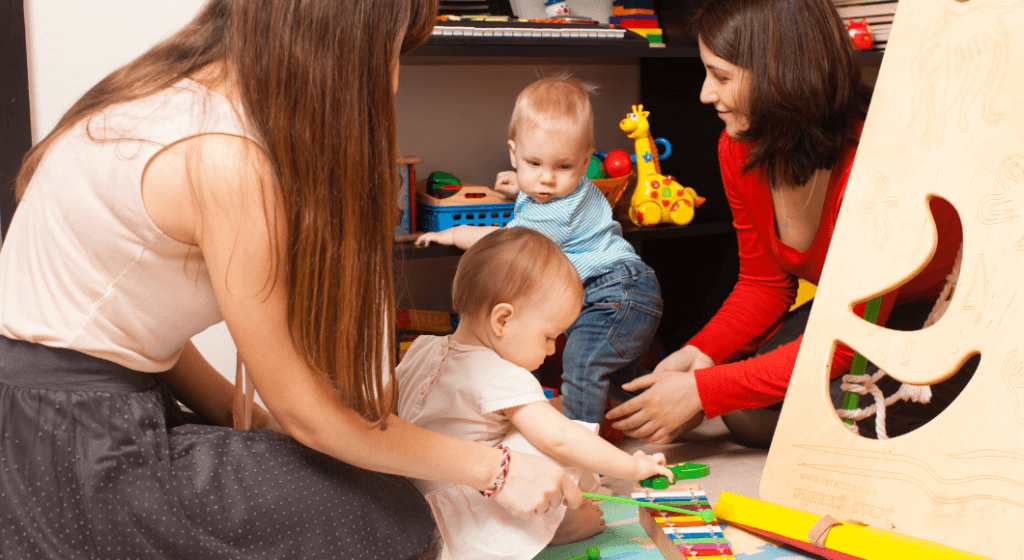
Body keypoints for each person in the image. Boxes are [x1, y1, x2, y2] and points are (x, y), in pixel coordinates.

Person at [0, 1, 585, 558]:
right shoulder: (225, 158)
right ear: (345, 47)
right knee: (381, 513)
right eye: (391, 53)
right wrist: (497, 469)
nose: (394, 78)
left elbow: (131, 325)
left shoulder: (161, 96)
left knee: (342, 472)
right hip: (74, 451)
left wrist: (253, 424)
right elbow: (309, 415)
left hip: (47, 425)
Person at [606, 0, 966, 445]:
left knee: (843, 421)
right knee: (745, 412)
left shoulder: (875, 165)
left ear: (782, 73)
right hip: (852, 311)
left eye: (721, 76)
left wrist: (704, 391)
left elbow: (851, 341)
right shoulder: (737, 148)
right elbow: (764, 284)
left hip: (941, 308)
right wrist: (697, 355)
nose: (704, 94)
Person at [397, 227, 673, 560]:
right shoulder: (501, 374)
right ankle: (559, 524)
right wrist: (632, 466)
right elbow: (559, 440)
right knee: (560, 431)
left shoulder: (421, 347)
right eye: (548, 336)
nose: (553, 348)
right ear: (502, 320)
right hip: (469, 519)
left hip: (410, 505)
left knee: (542, 416)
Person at [415, 76, 664, 425]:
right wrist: (519, 181)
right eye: (535, 164)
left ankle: (579, 456)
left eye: (563, 167)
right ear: (515, 154)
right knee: (617, 379)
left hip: (615, 293)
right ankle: (669, 406)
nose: (546, 179)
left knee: (582, 366)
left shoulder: (554, 212)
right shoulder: (571, 189)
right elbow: (544, 185)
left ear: (585, 162)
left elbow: (505, 244)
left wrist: (456, 233)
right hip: (626, 292)